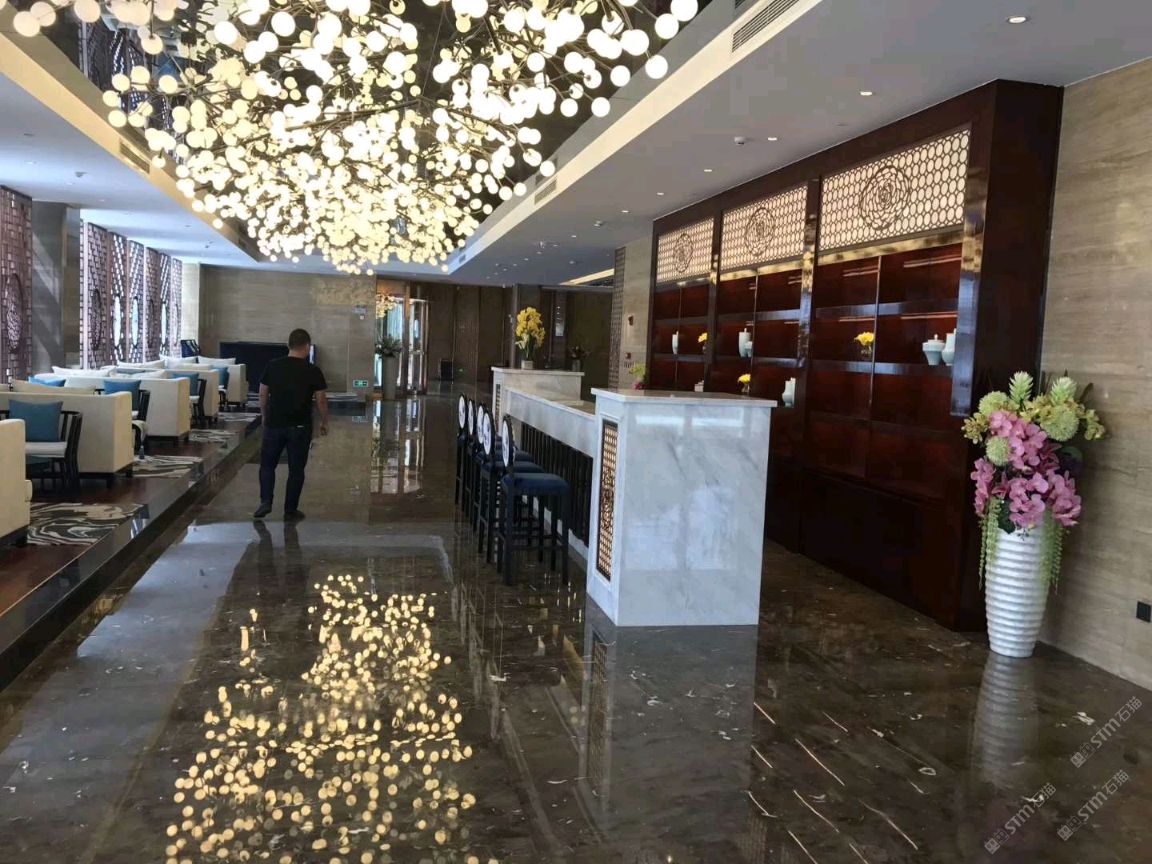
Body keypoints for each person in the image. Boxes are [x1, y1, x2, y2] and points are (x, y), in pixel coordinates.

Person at [254, 328, 329, 520]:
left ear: (288, 345)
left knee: (267, 465)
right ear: (307, 347)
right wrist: (324, 421)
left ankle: (265, 502)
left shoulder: (272, 365)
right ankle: (290, 510)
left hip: (274, 423)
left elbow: (262, 393)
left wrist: (264, 415)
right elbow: (321, 400)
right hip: (300, 426)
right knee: (296, 469)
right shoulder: (313, 370)